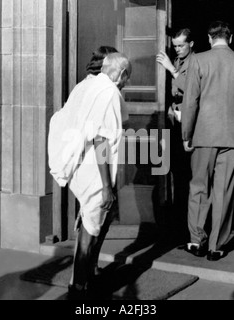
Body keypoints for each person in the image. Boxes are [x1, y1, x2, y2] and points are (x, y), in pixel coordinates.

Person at [181, 21, 234, 261]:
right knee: (224, 191)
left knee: (198, 187)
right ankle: (217, 246)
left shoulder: (198, 60)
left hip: (204, 134)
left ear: (210, 39)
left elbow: (190, 102)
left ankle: (196, 240)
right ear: (230, 39)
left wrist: (186, 135)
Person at [63, 53, 132, 299]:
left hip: (83, 166)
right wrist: (106, 185)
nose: (126, 83)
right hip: (95, 171)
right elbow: (101, 138)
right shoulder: (110, 92)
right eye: (127, 78)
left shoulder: (88, 85)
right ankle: (78, 288)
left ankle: (88, 275)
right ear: (121, 74)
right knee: (90, 229)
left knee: (98, 221)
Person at [156, 28, 195, 242]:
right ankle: (177, 227)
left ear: (192, 44)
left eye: (181, 45)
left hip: (189, 127)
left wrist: (171, 69)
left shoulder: (196, 62)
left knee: (187, 178)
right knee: (176, 175)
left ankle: (189, 228)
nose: (177, 49)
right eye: (175, 46)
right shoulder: (178, 61)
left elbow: (192, 90)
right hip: (174, 125)